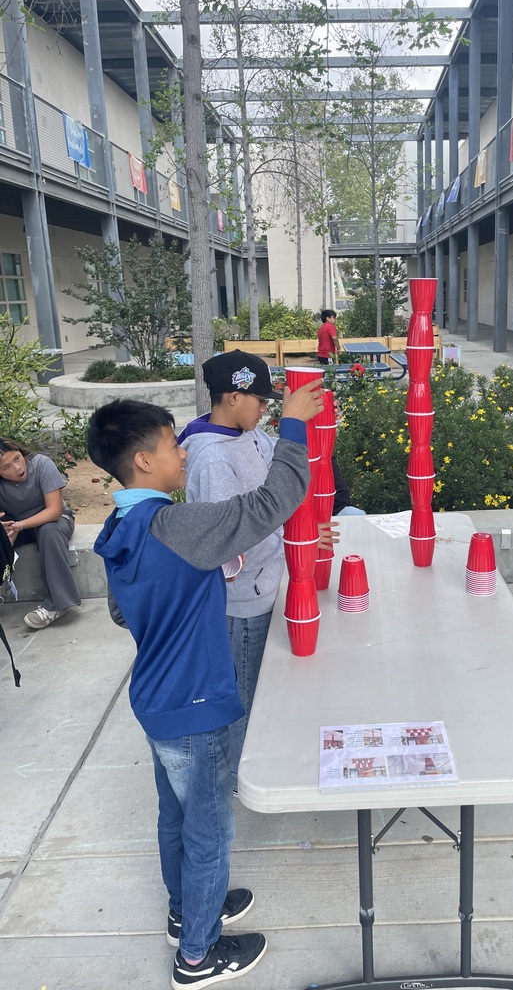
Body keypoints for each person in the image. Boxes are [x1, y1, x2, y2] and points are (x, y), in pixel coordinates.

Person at [87, 384, 322, 990]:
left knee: (176, 812)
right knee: (210, 828)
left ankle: (185, 909)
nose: (183, 454)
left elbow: (122, 613)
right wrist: (292, 428)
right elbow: (274, 501)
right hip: (195, 701)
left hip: (158, 695)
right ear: (143, 460)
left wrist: (186, 593)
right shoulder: (177, 524)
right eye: (171, 446)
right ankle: (197, 955)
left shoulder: (123, 523)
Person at [179, 350, 338, 790]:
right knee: (246, 692)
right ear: (232, 397)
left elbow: (283, 474)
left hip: (269, 585)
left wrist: (308, 426)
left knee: (265, 685)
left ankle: (254, 761)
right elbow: (230, 543)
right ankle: (242, 775)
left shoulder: (245, 434)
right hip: (243, 602)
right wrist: (292, 539)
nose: (266, 409)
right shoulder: (212, 457)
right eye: (260, 400)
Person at [0, 438, 80, 629]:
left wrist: (20, 526)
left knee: (49, 531)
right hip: (18, 524)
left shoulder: (41, 464)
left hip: (55, 521)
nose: (17, 468)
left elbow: (54, 511)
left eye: (17, 458)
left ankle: (58, 604)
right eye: (6, 467)